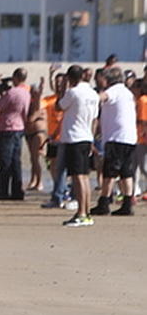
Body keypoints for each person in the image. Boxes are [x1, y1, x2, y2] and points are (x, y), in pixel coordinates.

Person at [57, 65, 99, 226]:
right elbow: (95, 118)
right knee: (85, 176)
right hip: (86, 136)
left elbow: (59, 106)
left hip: (74, 137)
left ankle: (81, 212)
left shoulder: (73, 92)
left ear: (70, 78)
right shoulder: (92, 94)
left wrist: (63, 89)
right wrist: (92, 138)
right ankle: (86, 211)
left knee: (78, 177)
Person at [92, 66, 137, 216]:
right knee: (126, 172)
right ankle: (127, 202)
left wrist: (90, 97)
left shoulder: (115, 90)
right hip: (129, 137)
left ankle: (104, 202)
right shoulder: (127, 93)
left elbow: (101, 98)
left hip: (116, 137)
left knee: (110, 171)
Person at [0, 68, 31, 200]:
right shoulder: (26, 92)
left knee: (5, 161)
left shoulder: (12, 93)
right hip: (19, 127)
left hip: (7, 127)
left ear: (15, 78)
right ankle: (17, 190)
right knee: (15, 161)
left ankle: (2, 190)